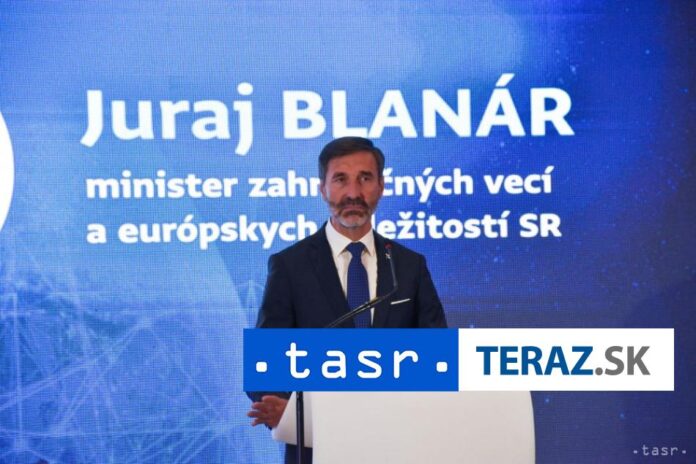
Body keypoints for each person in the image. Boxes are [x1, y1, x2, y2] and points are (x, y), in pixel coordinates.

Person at [247, 136, 447, 464]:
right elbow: (266, 360)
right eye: (340, 179)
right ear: (322, 188)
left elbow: (438, 356)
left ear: (381, 186)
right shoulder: (290, 266)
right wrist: (288, 413)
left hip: (397, 444)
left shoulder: (408, 266)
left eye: (365, 178)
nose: (353, 193)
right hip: (317, 448)